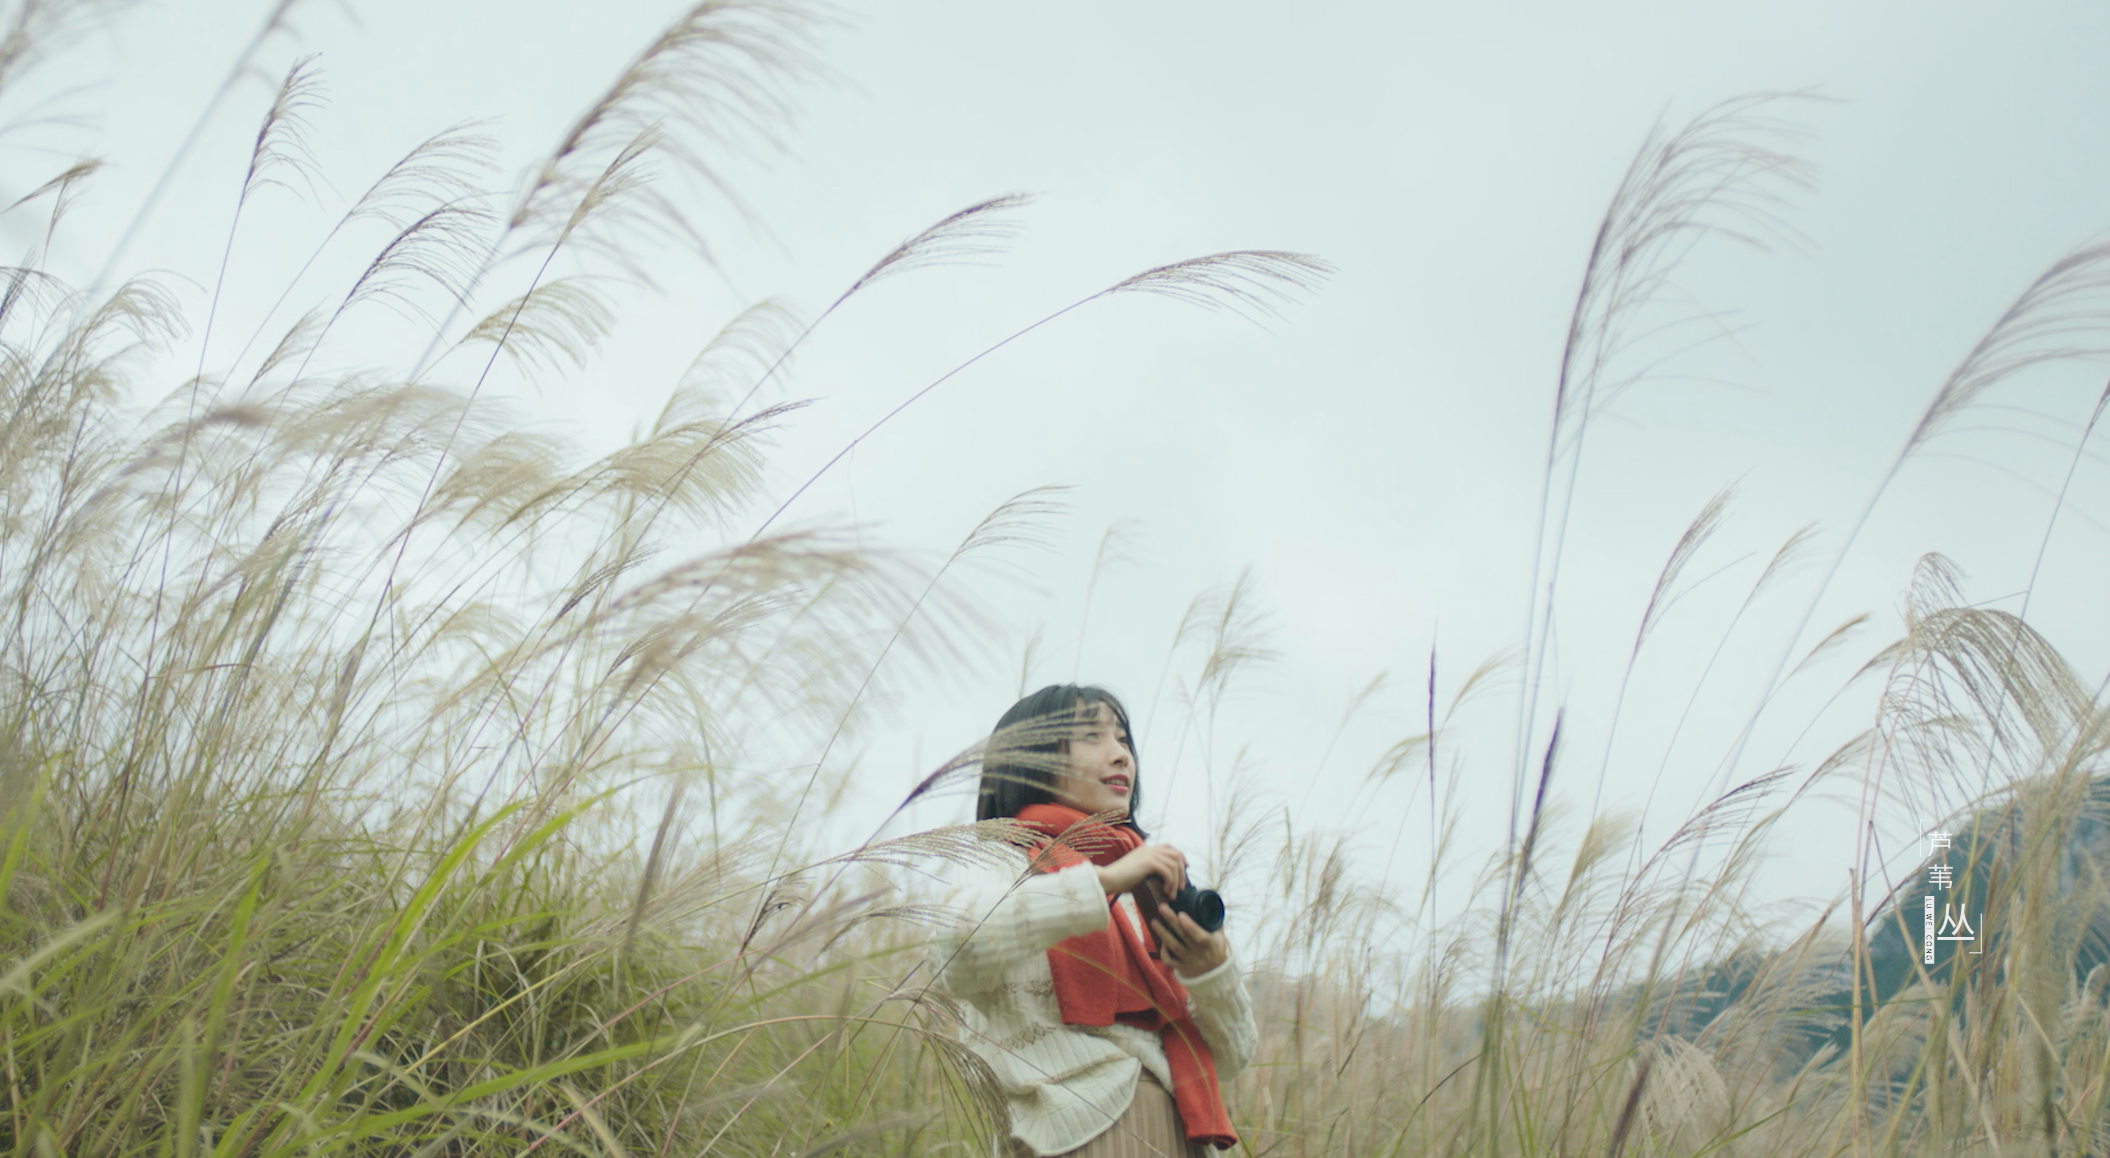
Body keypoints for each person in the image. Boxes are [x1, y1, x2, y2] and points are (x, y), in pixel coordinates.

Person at [928, 684, 1258, 1157]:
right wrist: (1100, 882)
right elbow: (952, 952)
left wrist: (1212, 969)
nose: (1120, 755)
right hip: (1068, 1133)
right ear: (1032, 757)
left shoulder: (1147, 882)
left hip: (1180, 1134)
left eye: (1124, 740)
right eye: (1092, 737)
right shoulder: (1001, 860)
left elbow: (1233, 1056)